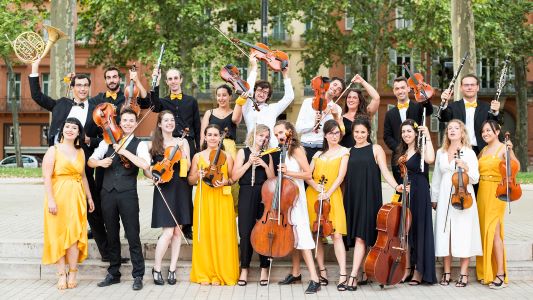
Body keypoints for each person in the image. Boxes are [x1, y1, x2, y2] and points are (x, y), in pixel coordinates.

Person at [29, 59, 109, 263]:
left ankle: (108, 254)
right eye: (79, 85)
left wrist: (92, 140)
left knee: (94, 210)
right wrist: (36, 67)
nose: (82, 89)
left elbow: (107, 137)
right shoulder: (61, 104)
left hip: (82, 163)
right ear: (72, 87)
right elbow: (37, 96)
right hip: (58, 163)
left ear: (89, 88)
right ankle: (59, 252)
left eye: (85, 85)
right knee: (57, 208)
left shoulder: (95, 109)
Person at [88, 108, 151, 291]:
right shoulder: (106, 142)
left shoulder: (139, 144)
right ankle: (113, 273)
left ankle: (138, 275)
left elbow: (145, 164)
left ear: (135, 122)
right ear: (119, 122)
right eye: (125, 120)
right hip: (107, 194)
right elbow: (90, 160)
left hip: (128, 194)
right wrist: (100, 163)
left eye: (132, 120)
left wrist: (124, 151)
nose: (128, 123)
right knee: (111, 235)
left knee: (133, 235)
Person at [343, 116, 404, 291]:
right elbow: (342, 176)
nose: (360, 135)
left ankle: (353, 276)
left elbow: (385, 172)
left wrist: (397, 186)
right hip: (353, 198)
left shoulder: (376, 149)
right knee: (359, 237)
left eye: (363, 132)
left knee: (362, 236)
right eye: (356, 132)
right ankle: (364, 272)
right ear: (352, 133)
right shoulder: (348, 152)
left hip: (369, 197)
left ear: (368, 132)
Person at [42, 118, 95, 290]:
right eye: (67, 126)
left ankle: (73, 272)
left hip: (76, 198)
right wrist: (51, 199)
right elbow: (47, 177)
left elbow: (84, 176)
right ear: (62, 129)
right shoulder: (53, 150)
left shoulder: (81, 152)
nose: (70, 130)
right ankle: (61, 274)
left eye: (74, 127)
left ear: (79, 132)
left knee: (74, 237)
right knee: (58, 235)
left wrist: (89, 198)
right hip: (58, 197)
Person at [151, 67, 201, 240]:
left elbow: (197, 126)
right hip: (169, 148)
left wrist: (198, 151)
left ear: (181, 79)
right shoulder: (164, 102)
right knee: (169, 185)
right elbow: (154, 105)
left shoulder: (191, 101)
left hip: (187, 147)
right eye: (169, 79)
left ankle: (186, 226)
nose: (173, 81)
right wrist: (155, 82)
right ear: (167, 82)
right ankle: (168, 225)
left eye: (175, 78)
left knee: (186, 187)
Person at [431, 119, 482, 287]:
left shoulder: (469, 152)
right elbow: (437, 177)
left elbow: (475, 178)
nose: (452, 130)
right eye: (449, 128)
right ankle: (446, 272)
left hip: (463, 196)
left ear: (462, 133)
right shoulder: (441, 152)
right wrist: (435, 198)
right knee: (446, 233)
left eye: (456, 128)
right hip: (446, 195)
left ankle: (464, 274)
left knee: (463, 232)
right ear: (447, 133)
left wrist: (466, 167)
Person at [144, 111, 192, 286]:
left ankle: (172, 269)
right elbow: (146, 169)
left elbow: (187, 167)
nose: (170, 123)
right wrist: (153, 177)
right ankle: (157, 268)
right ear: (159, 124)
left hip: (180, 186)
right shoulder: (153, 143)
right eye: (166, 120)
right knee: (167, 232)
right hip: (164, 186)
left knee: (178, 231)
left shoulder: (182, 141)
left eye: (172, 120)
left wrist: (183, 154)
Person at [273, 120, 321, 294]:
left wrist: (288, 172)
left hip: (297, 199)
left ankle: (315, 279)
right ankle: (296, 273)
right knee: (291, 237)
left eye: (281, 132)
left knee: (303, 237)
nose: (278, 136)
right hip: (287, 200)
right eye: (276, 134)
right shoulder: (282, 151)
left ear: (290, 132)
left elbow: (308, 173)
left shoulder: (297, 150)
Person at [187, 124, 239, 285]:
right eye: (209, 135)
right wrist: (198, 175)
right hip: (204, 198)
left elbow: (233, 178)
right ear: (205, 137)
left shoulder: (227, 156)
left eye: (215, 135)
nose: (212, 138)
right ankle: (205, 272)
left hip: (222, 199)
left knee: (222, 235)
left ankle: (220, 273)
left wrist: (225, 181)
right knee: (205, 235)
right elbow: (190, 180)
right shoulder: (198, 156)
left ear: (220, 137)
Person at [305, 120, 349, 291]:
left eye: (337, 133)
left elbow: (340, 177)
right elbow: (308, 175)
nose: (334, 136)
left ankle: (343, 274)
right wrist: (317, 188)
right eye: (331, 133)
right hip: (314, 196)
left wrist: (328, 194)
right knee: (317, 235)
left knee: (336, 234)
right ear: (325, 135)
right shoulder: (317, 155)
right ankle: (322, 271)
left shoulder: (344, 152)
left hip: (332, 195)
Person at [394, 119, 437, 285]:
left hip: (420, 191)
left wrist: (426, 136)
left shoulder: (422, 149)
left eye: (409, 131)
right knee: (406, 231)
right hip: (406, 191)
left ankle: (419, 272)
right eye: (403, 132)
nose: (406, 134)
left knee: (418, 230)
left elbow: (431, 159)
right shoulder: (403, 151)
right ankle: (406, 269)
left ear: (415, 133)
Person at [231, 124, 275, 286]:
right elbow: (234, 176)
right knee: (245, 232)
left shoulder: (268, 155)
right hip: (246, 193)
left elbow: (272, 179)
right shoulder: (243, 152)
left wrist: (263, 165)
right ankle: (245, 269)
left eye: (266, 137)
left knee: (264, 231)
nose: (263, 139)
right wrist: (249, 163)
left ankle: (264, 268)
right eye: (261, 135)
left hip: (263, 194)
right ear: (254, 135)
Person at [476, 120, 518, 289]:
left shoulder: (503, 148)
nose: (485, 133)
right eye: (483, 131)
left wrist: (511, 152)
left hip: (496, 192)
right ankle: (486, 272)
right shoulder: (484, 150)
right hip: (482, 192)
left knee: (494, 232)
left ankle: (501, 273)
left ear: (498, 131)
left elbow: (516, 167)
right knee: (483, 230)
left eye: (489, 130)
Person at [384, 76, 434, 185]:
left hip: (419, 155)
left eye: (402, 87)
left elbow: (429, 110)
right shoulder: (389, 114)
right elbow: (387, 136)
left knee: (420, 187)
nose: (400, 91)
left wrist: (423, 93)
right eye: (397, 88)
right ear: (394, 91)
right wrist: (400, 149)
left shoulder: (419, 106)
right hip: (398, 158)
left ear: (408, 88)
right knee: (401, 192)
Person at [437, 74, 500, 155]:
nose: (469, 87)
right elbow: (442, 118)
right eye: (466, 85)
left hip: (482, 150)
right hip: (458, 149)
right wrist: (444, 103)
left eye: (472, 85)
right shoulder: (453, 106)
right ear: (461, 88)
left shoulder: (487, 107)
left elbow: (495, 125)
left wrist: (496, 112)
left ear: (477, 87)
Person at [243, 56, 294, 148]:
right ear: (254, 92)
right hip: (252, 148)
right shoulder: (247, 106)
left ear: (268, 96)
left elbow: (289, 97)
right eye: (259, 90)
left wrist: (285, 75)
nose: (262, 94)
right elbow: (248, 89)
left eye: (265, 92)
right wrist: (254, 67)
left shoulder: (272, 108)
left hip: (271, 147)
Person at [296, 77, 345, 163]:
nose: (335, 89)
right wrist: (313, 124)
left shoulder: (337, 109)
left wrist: (336, 116)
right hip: (305, 146)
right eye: (334, 84)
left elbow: (339, 133)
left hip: (324, 148)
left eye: (339, 89)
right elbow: (298, 128)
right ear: (328, 85)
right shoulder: (308, 102)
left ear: (338, 94)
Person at [200, 84, 243, 159]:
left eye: (224, 95)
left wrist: (241, 99)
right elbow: (203, 136)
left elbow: (236, 120)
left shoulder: (235, 113)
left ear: (230, 96)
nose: (221, 98)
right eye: (219, 95)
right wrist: (202, 152)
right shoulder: (209, 113)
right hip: (211, 146)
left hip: (229, 148)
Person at [340, 74, 380, 148]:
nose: (351, 100)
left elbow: (376, 98)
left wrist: (362, 81)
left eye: (355, 98)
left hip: (366, 151)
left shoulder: (366, 113)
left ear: (359, 101)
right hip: (348, 154)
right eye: (349, 97)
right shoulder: (340, 118)